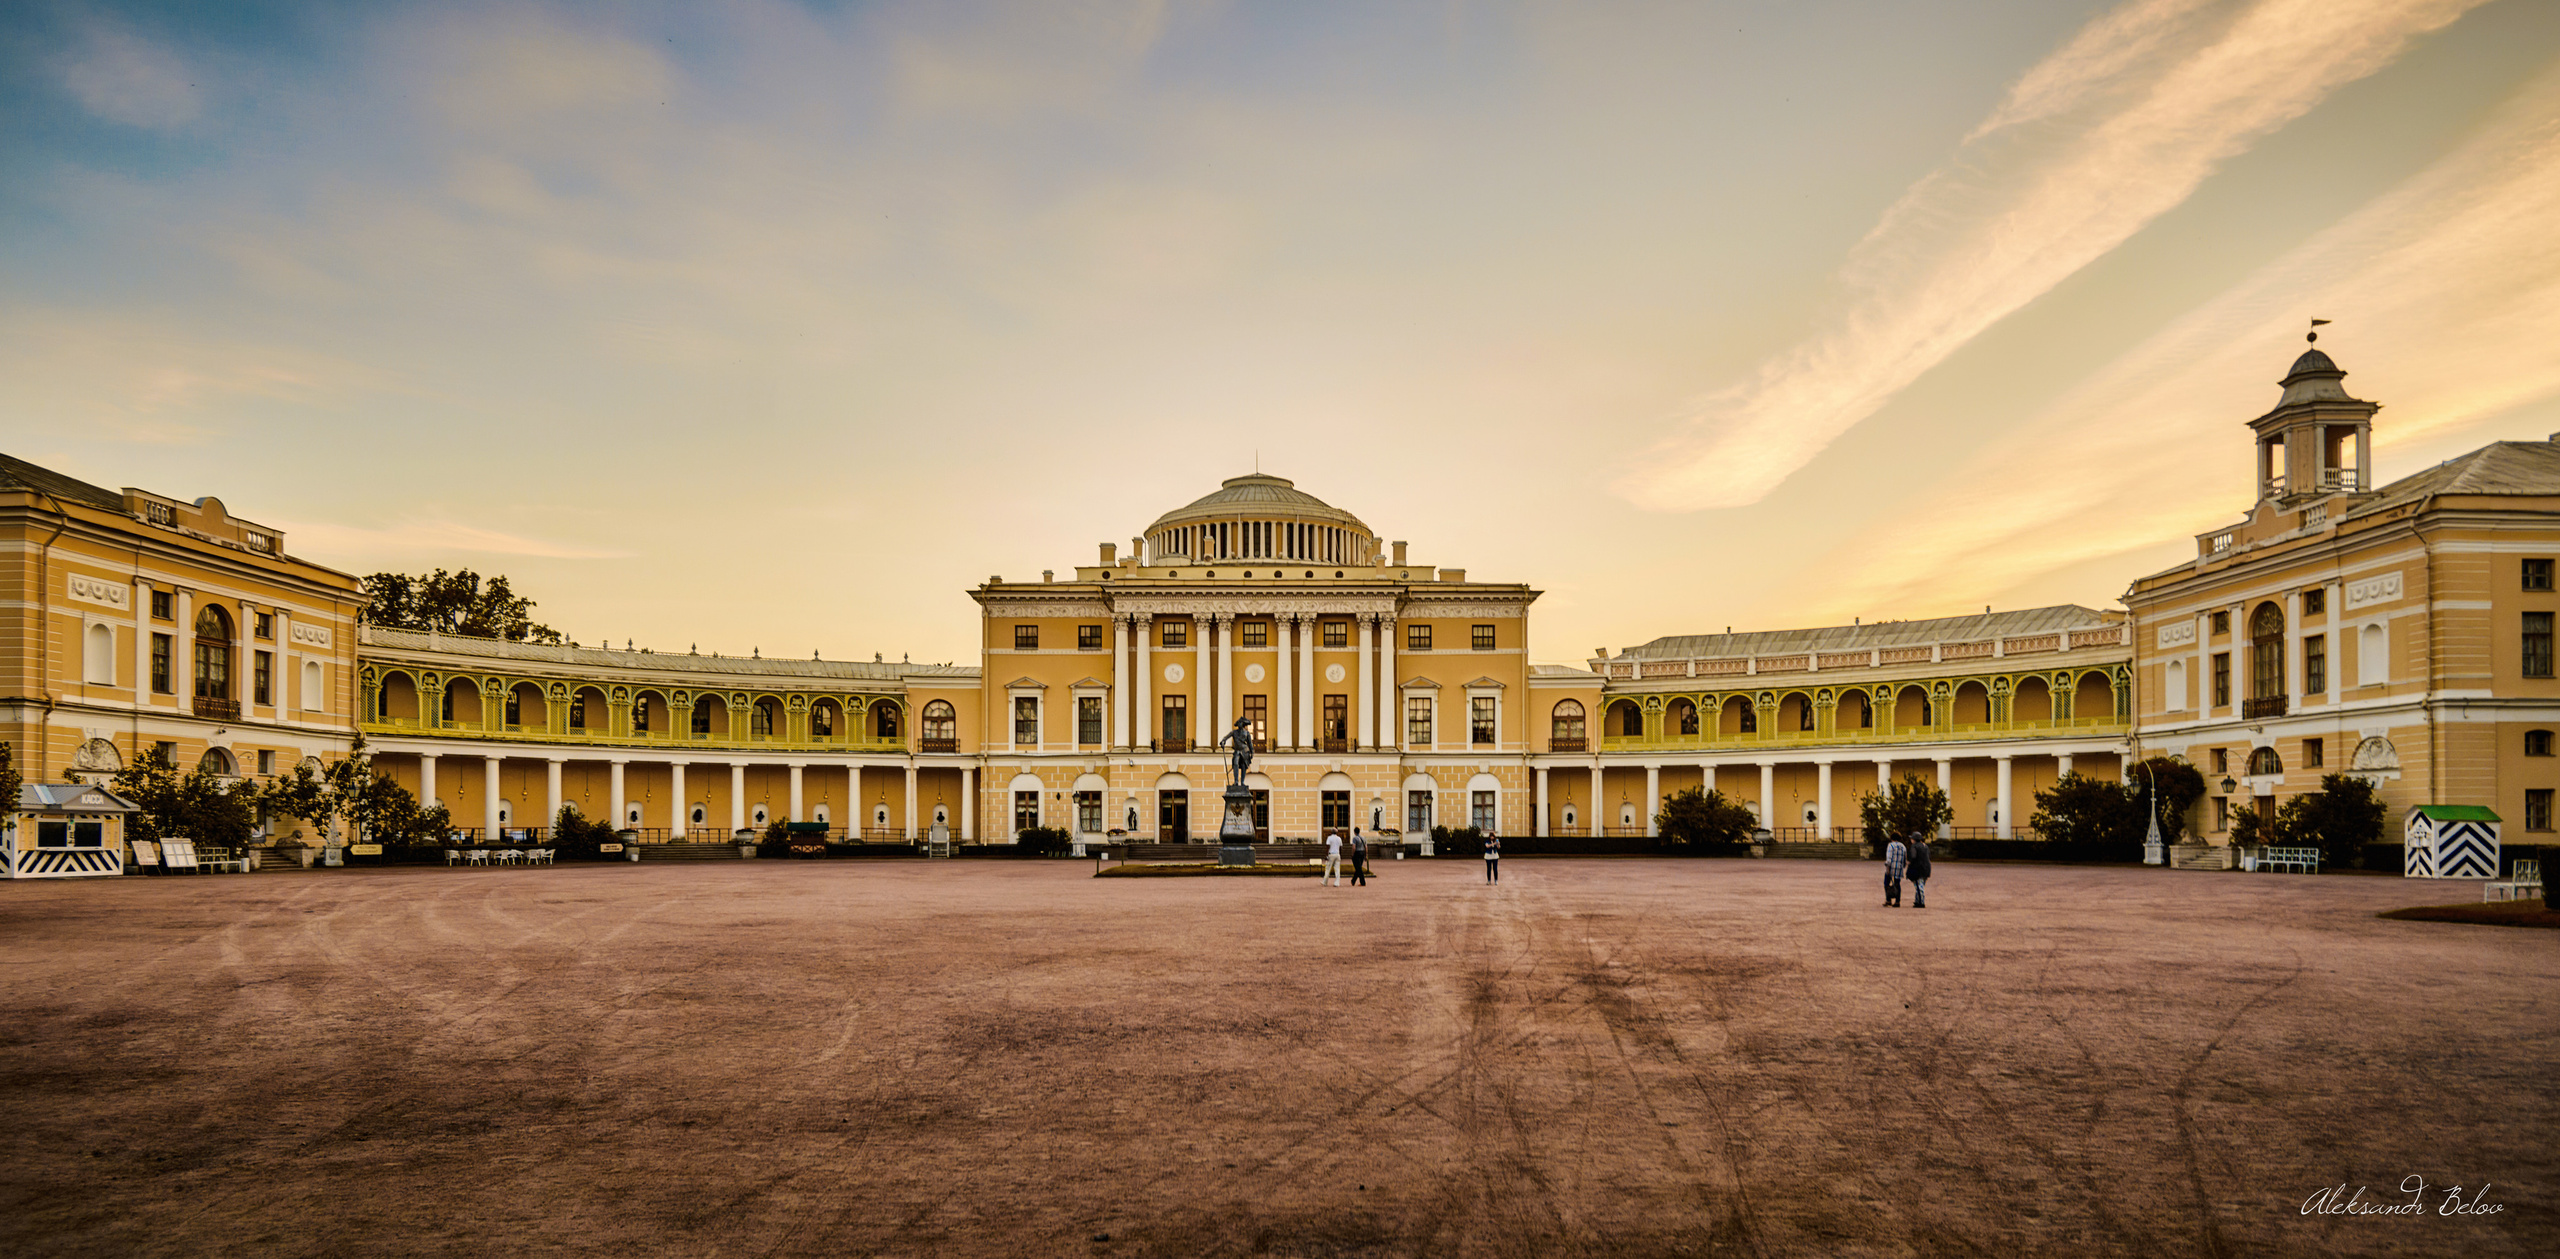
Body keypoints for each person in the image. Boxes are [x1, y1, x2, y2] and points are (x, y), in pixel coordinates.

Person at [1907, 833, 1933, 909]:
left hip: (1917, 868)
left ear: (1914, 839)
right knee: (1921, 884)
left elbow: (1913, 856)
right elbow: (1929, 856)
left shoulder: (1914, 846)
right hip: (1926, 868)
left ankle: (1921, 902)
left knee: (1918, 886)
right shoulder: (1925, 846)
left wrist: (1909, 862)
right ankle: (1917, 900)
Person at [1882, 834, 1907, 908]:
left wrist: (1887, 867)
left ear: (1891, 838)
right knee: (1897, 884)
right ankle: (1897, 901)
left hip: (1891, 867)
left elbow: (1889, 857)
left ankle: (1888, 900)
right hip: (1899, 867)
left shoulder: (1891, 845)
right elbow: (1905, 858)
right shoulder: (1903, 846)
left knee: (1886, 883)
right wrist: (1903, 866)